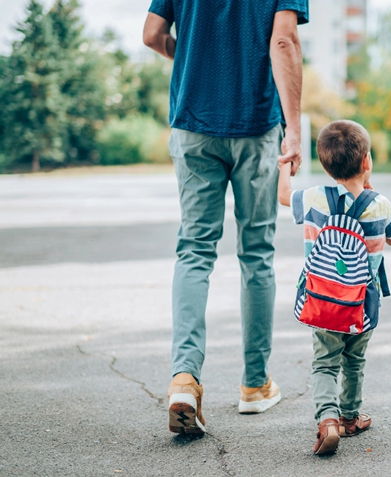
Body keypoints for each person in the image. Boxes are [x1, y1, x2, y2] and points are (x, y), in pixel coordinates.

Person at [142, 0, 308, 435]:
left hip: (193, 123)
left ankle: (184, 377)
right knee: (256, 253)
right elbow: (284, 40)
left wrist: (198, 62)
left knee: (195, 250)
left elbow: (152, 35)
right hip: (255, 125)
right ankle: (254, 385)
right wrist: (294, 129)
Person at [277, 120, 391, 454]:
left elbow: (283, 197)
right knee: (354, 361)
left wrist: (285, 165)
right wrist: (369, 188)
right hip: (362, 304)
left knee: (324, 363)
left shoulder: (314, 198)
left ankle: (327, 420)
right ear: (366, 162)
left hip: (322, 303)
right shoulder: (381, 205)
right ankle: (350, 418)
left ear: (324, 164)